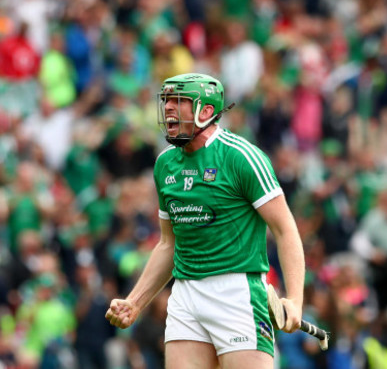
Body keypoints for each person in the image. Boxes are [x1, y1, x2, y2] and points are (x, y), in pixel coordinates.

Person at [105, 73, 306, 369]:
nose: (169, 109)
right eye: (167, 102)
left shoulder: (241, 157)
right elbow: (167, 243)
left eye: (179, 101)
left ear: (207, 111)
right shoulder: (164, 164)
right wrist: (135, 301)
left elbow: (285, 229)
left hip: (238, 294)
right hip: (186, 294)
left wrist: (295, 300)